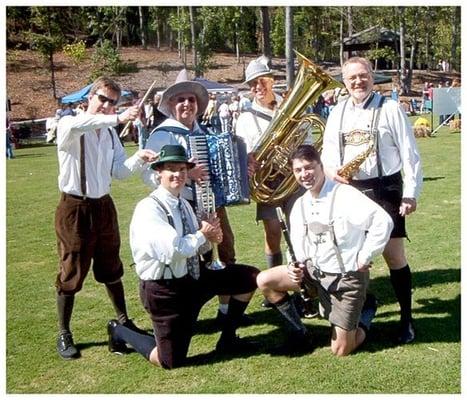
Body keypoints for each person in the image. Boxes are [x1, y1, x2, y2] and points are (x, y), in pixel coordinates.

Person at [107, 144, 259, 369]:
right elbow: (172, 251)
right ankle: (119, 330)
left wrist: (211, 238)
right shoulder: (149, 209)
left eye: (182, 169)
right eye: (171, 169)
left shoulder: (183, 205)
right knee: (170, 361)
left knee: (249, 277)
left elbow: (195, 248)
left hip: (192, 279)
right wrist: (202, 234)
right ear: (159, 173)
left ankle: (227, 339)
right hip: (164, 291)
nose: (177, 174)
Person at [54, 76, 158, 360]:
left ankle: (124, 322)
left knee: (111, 266)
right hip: (75, 207)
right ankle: (64, 332)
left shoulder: (110, 132)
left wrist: (140, 157)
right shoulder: (69, 124)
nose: (106, 105)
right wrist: (119, 117)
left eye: (112, 101)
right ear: (89, 97)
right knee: (72, 269)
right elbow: (84, 123)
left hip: (103, 206)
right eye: (102, 98)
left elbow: (120, 173)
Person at [321, 56, 423, 344]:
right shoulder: (337, 112)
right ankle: (355, 315)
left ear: (372, 76)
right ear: (344, 80)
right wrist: (332, 174)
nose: (358, 81)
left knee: (394, 257)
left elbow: (410, 154)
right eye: (352, 77)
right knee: (353, 257)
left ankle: (406, 319)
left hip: (385, 188)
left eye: (363, 75)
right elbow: (328, 155)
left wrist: (410, 194)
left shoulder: (390, 108)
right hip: (350, 189)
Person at [257, 145, 393, 356]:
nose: (305, 175)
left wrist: (365, 255)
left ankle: (367, 309)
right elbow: (297, 246)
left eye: (309, 168)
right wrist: (295, 266)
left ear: (321, 166)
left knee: (340, 350)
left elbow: (383, 221)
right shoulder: (300, 204)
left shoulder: (345, 195)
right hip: (315, 273)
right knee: (265, 280)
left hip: (346, 278)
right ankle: (299, 332)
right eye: (298, 170)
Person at [143, 69, 247, 325]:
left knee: (225, 253)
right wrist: (187, 174)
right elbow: (149, 175)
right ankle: (186, 314)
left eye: (191, 99)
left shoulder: (207, 133)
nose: (187, 104)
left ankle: (225, 313)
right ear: (171, 105)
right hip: (182, 205)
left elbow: (223, 164)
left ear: (198, 104)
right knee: (191, 261)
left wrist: (240, 166)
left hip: (213, 203)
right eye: (181, 100)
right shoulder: (162, 134)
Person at [235, 55, 297, 301]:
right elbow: (244, 152)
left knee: (300, 232)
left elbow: (306, 140)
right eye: (252, 84)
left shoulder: (290, 107)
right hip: (268, 181)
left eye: (261, 81)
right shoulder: (245, 118)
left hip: (294, 179)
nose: (257, 87)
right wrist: (249, 161)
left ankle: (302, 281)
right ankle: (275, 286)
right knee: (272, 233)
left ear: (271, 81)